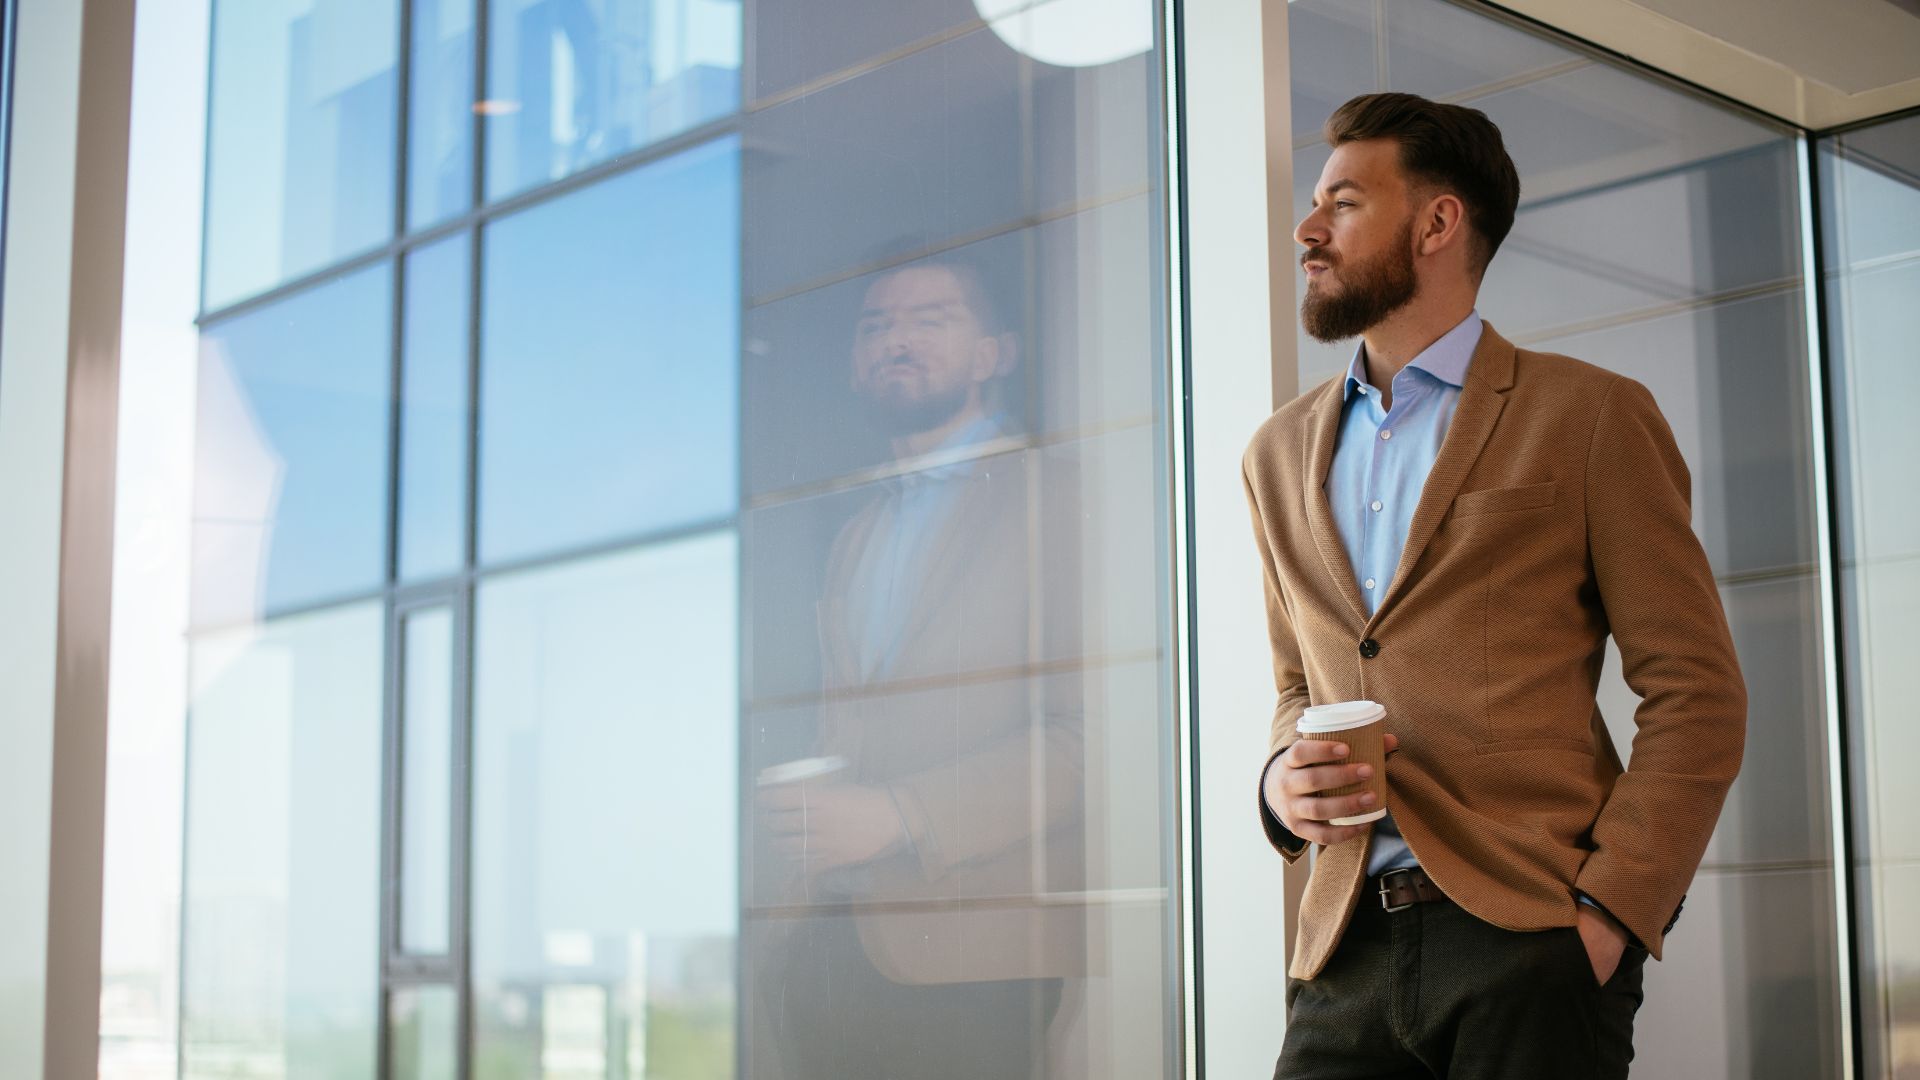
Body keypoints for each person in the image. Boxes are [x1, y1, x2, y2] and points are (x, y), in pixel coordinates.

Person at [1242, 92, 1747, 1079]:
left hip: (1533, 943)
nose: (1308, 229)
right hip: (1342, 957)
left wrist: (1612, 915)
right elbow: (1300, 689)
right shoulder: (1274, 454)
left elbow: (1697, 693)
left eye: (1343, 203)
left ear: (1438, 223)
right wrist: (1277, 788)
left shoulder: (1590, 416)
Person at [756, 255, 1085, 1079]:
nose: (896, 340)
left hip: (974, 957)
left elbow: (1097, 735)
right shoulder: (859, 530)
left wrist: (902, 813)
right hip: (829, 941)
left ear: (994, 353)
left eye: (931, 319)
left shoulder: (1062, 499)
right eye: (876, 326)